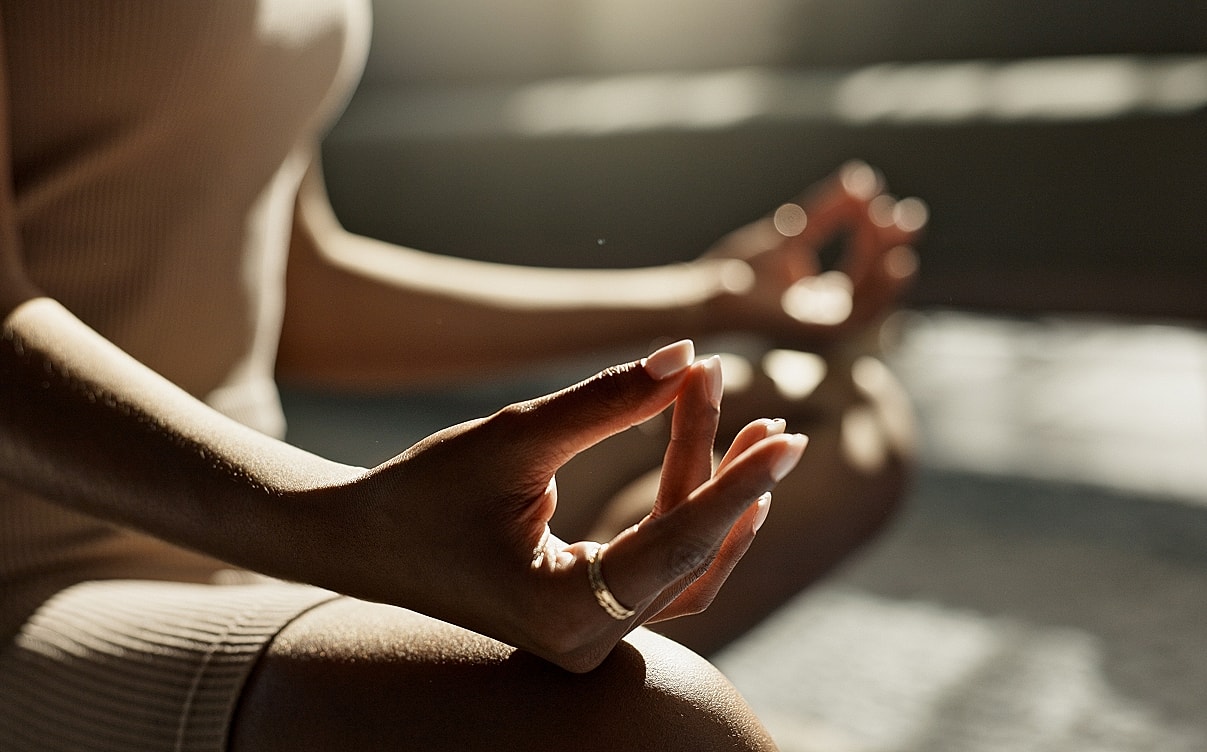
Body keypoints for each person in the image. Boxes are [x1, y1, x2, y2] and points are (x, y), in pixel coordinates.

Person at [0, 2, 924, 750]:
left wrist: (712, 298)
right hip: (36, 583)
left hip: (249, 523)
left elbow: (301, 284)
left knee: (837, 421)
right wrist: (345, 527)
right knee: (670, 729)